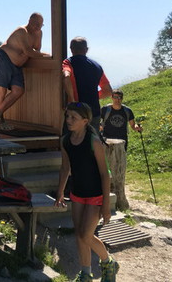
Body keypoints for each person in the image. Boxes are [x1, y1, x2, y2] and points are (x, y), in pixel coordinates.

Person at [54, 102, 119, 282]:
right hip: (77, 193)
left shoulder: (94, 141)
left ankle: (108, 262)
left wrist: (106, 205)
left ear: (85, 121)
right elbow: (65, 168)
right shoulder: (65, 141)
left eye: (73, 117)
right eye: (67, 116)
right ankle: (85, 274)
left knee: (86, 234)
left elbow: (105, 174)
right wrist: (60, 192)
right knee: (79, 234)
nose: (68, 120)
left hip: (95, 195)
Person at [0, 12, 51, 130]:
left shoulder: (38, 33)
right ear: (29, 21)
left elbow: (37, 50)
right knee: (1, 90)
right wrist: (48, 55)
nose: (37, 27)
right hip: (4, 59)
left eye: (40, 25)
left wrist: (39, 51)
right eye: (35, 24)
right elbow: (29, 51)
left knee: (18, 90)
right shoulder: (21, 31)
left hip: (18, 65)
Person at [62, 37, 113, 130]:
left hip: (77, 111)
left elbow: (66, 77)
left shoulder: (68, 63)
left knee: (73, 138)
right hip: (94, 111)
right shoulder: (97, 66)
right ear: (86, 49)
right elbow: (108, 91)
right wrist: (93, 97)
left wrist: (72, 100)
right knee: (92, 138)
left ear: (71, 49)